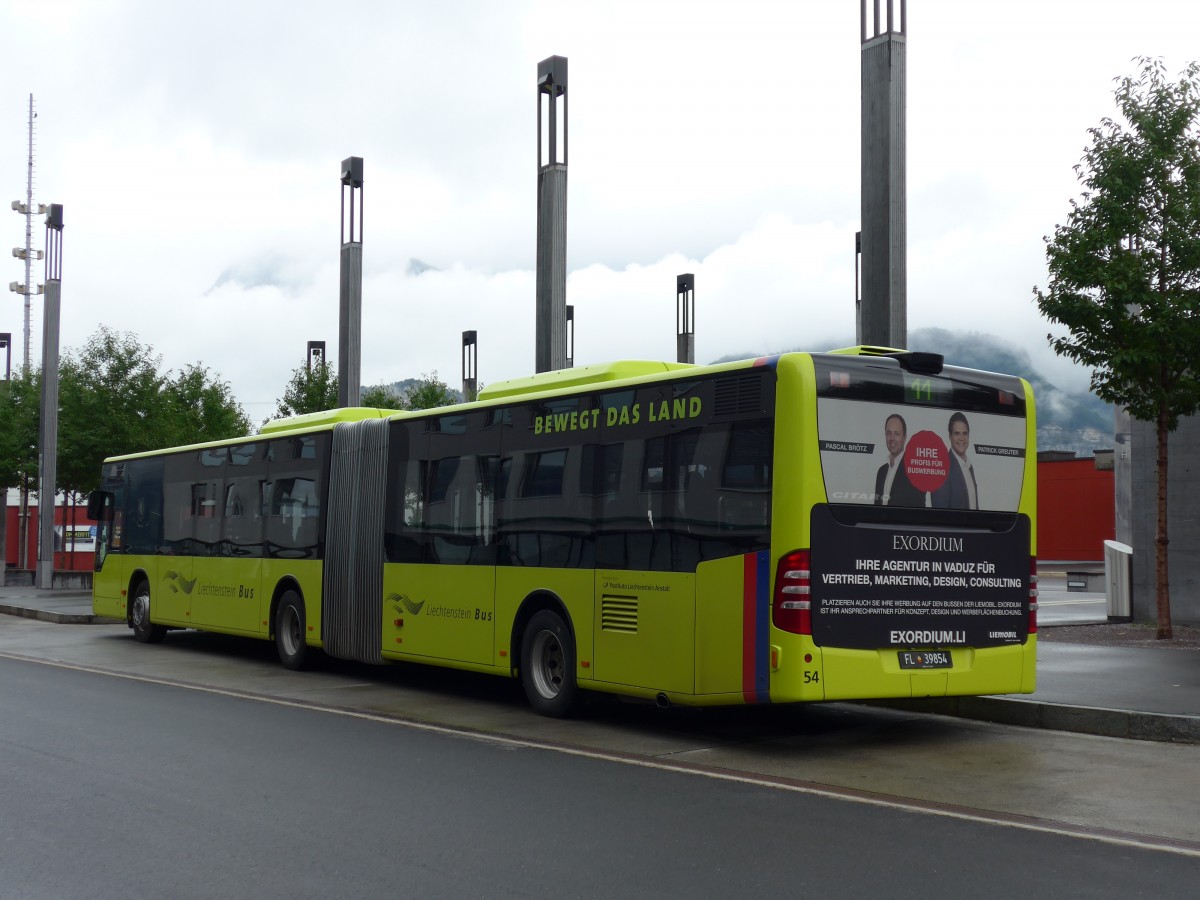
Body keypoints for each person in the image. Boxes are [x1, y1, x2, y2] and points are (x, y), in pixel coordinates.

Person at [874, 413, 925, 506]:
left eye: (896, 434)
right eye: (889, 433)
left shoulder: (915, 472)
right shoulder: (881, 472)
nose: (892, 438)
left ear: (904, 438)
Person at [932, 411, 978, 510]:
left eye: (964, 433)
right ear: (950, 436)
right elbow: (939, 514)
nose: (961, 438)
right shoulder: (941, 469)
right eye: (957, 433)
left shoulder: (969, 467)